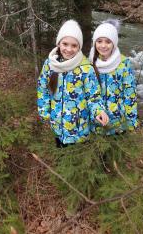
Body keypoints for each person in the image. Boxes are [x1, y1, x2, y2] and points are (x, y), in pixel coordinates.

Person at [37, 19, 109, 147]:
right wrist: (45, 112)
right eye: (65, 44)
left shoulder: (86, 68)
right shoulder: (50, 64)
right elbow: (42, 89)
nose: (69, 49)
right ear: (59, 43)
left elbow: (94, 97)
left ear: (79, 47)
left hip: (79, 131)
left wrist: (98, 111)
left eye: (74, 45)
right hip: (58, 128)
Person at [89, 19, 138, 135]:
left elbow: (130, 94)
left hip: (118, 123)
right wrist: (95, 113)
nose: (103, 45)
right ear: (94, 42)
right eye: (99, 41)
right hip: (96, 123)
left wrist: (131, 123)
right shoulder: (90, 63)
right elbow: (89, 94)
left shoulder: (124, 63)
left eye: (108, 42)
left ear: (114, 43)